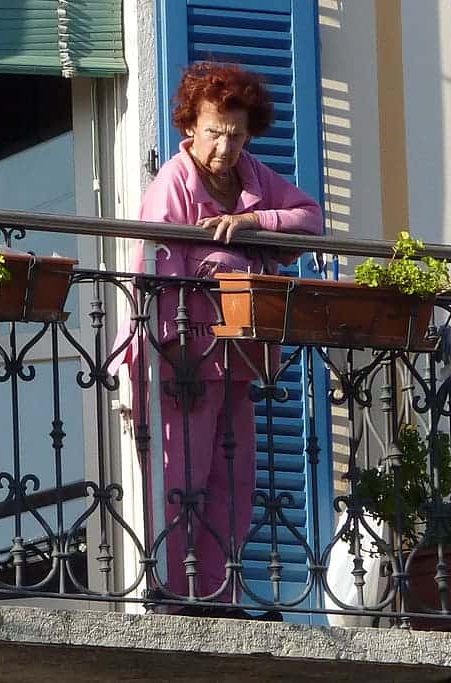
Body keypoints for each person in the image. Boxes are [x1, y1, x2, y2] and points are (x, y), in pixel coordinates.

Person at [114, 62, 323, 612]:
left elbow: (312, 219)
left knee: (234, 485)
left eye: (235, 133)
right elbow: (152, 271)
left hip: (239, 357)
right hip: (182, 358)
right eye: (214, 132)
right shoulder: (175, 182)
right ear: (191, 128)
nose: (225, 147)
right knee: (180, 482)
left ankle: (219, 595)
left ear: (248, 132)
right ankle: (174, 595)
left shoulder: (255, 178)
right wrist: (167, 354)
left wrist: (256, 224)